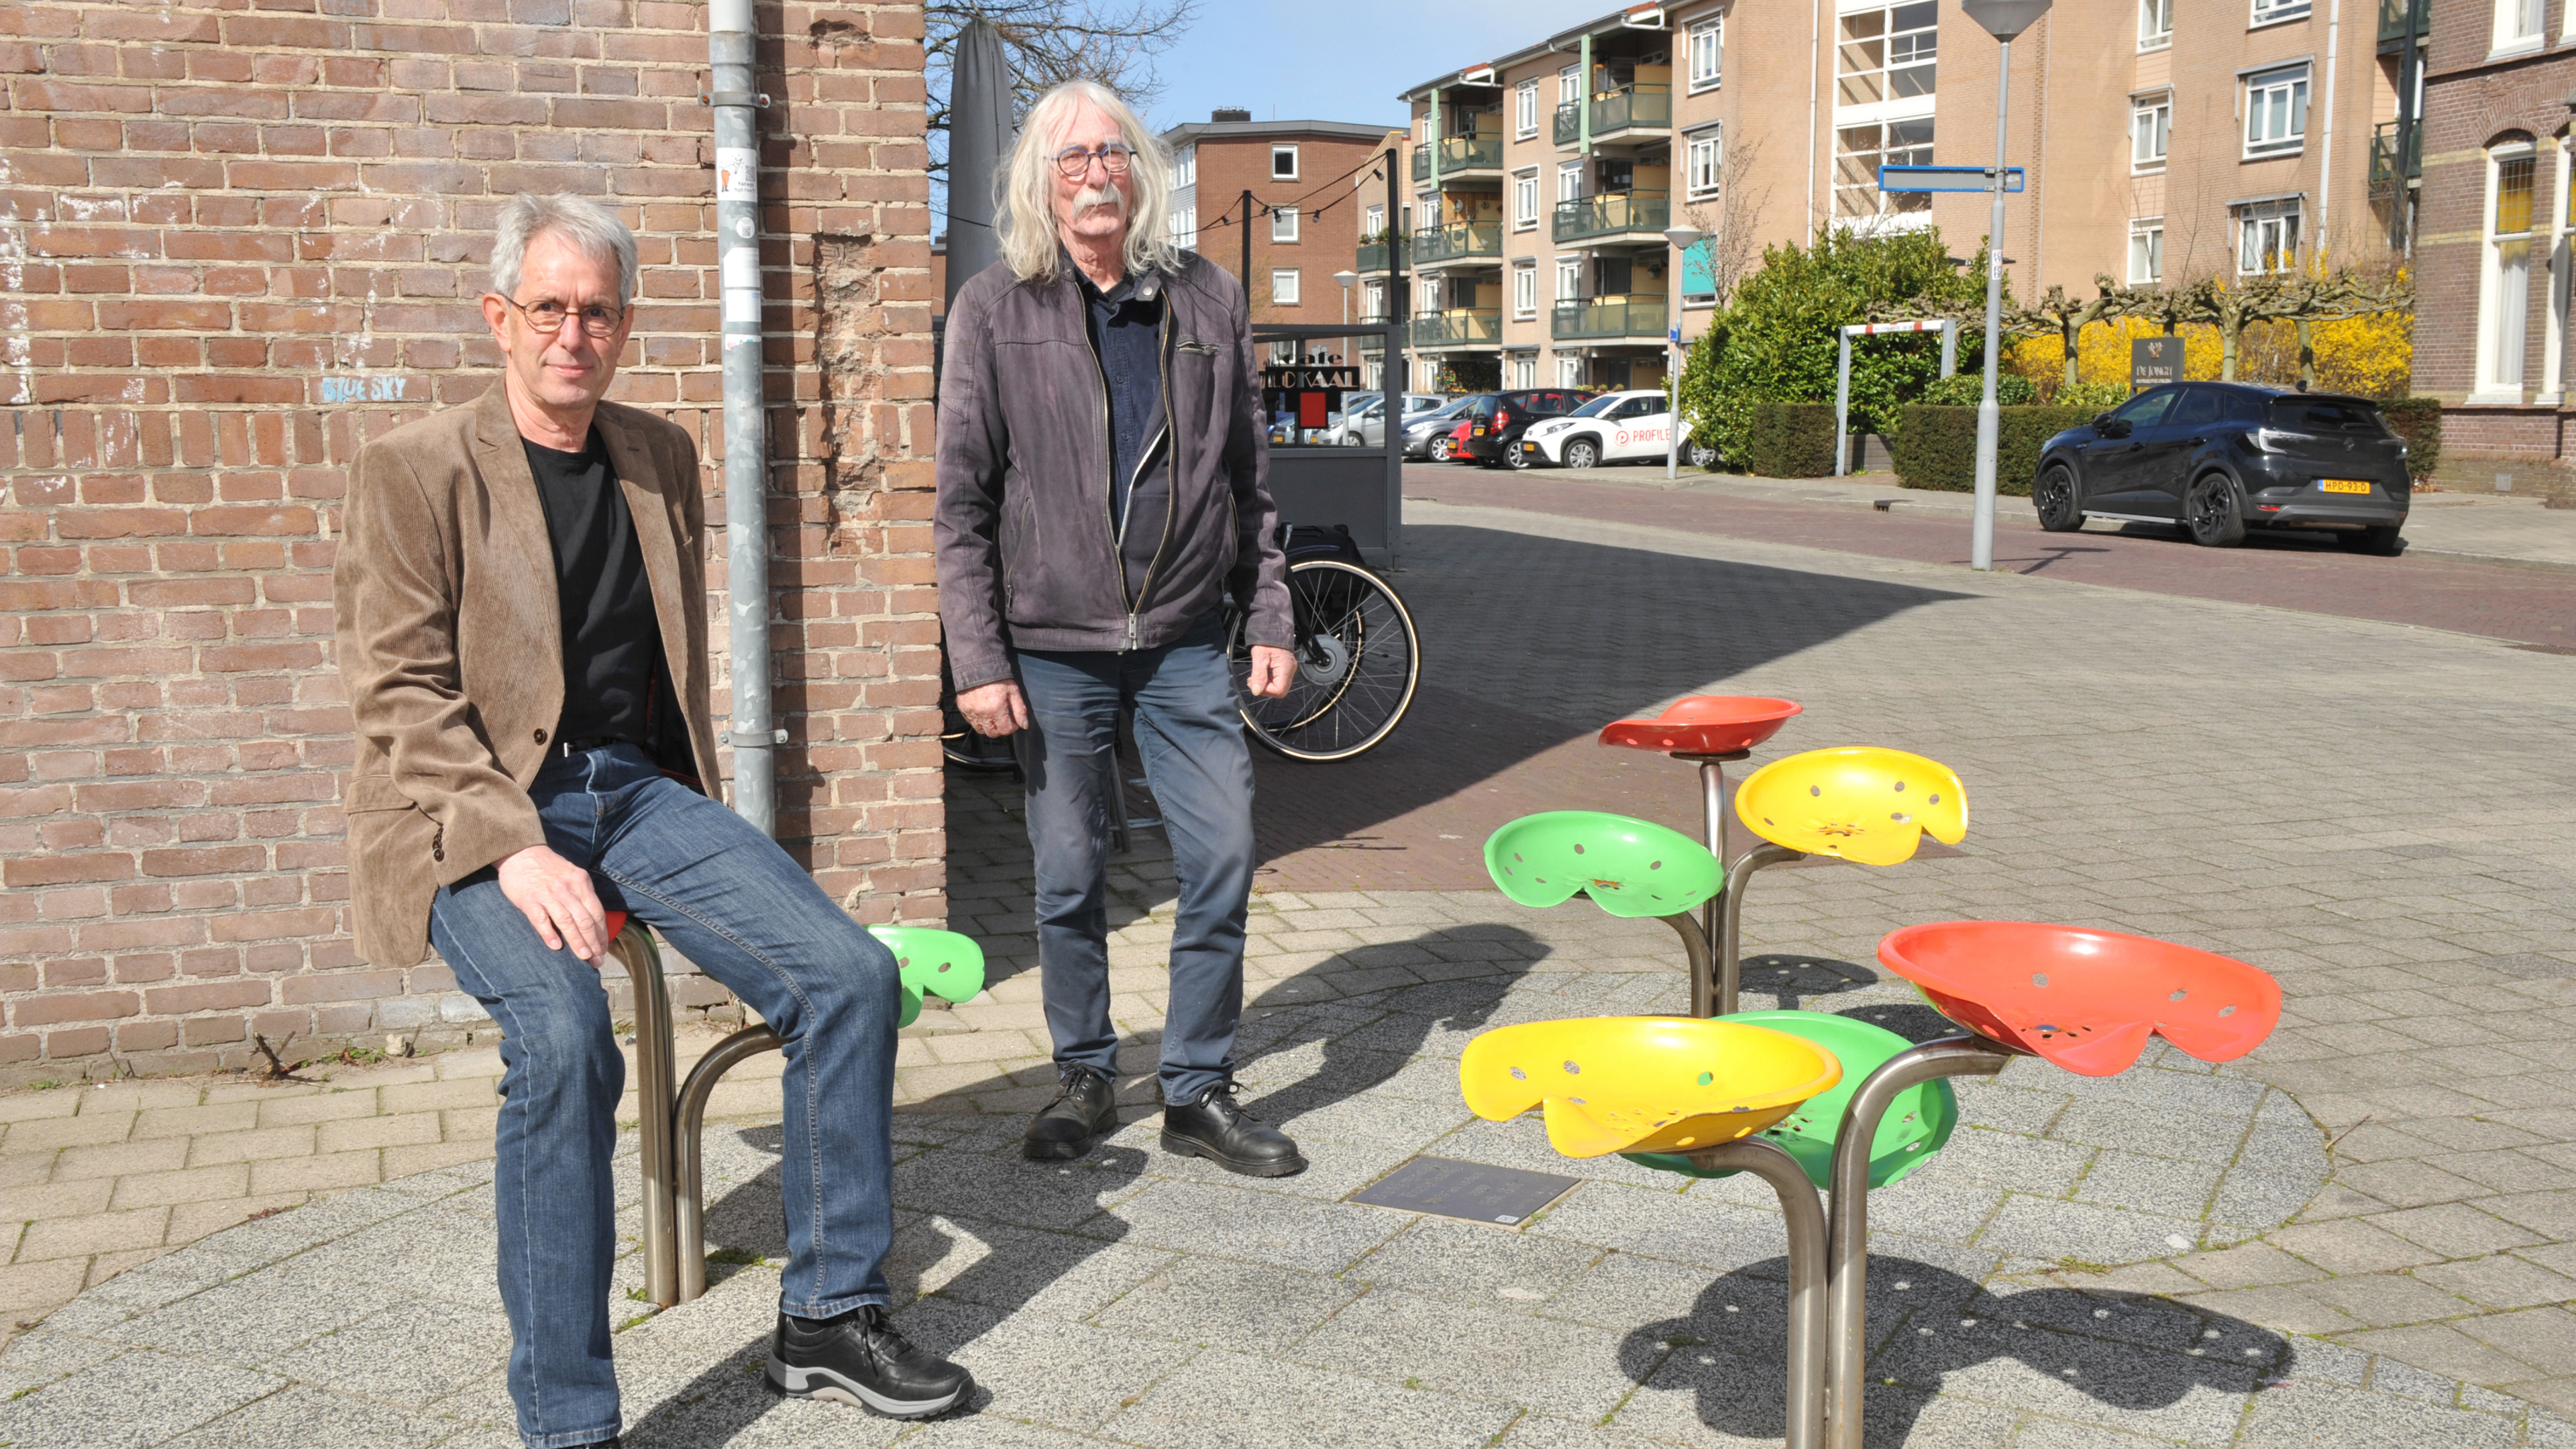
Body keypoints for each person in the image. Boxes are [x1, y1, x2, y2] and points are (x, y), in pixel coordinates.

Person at [333, 193, 970, 1449]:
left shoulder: (657, 453)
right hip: (468, 807)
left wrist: (692, 840)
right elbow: (397, 689)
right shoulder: (412, 469)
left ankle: (830, 1314)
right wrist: (514, 846)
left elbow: (660, 668)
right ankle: (568, 1420)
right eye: (550, 309)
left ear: (624, 325)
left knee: (843, 976)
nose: (574, 334)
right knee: (568, 1041)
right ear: (499, 318)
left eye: (598, 311)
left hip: (627, 790)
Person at [934, 80, 1305, 1175]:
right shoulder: (994, 311)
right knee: (1065, 871)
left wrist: (1270, 610)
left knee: (1226, 854)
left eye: (1111, 152)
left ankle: (1196, 1087)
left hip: (1187, 641)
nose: (1094, 173)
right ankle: (1086, 1074)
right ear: (1038, 184)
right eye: (1069, 158)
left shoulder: (1209, 300)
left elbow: (1252, 482)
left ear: (1137, 170)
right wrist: (977, 655)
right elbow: (959, 503)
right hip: (1051, 651)